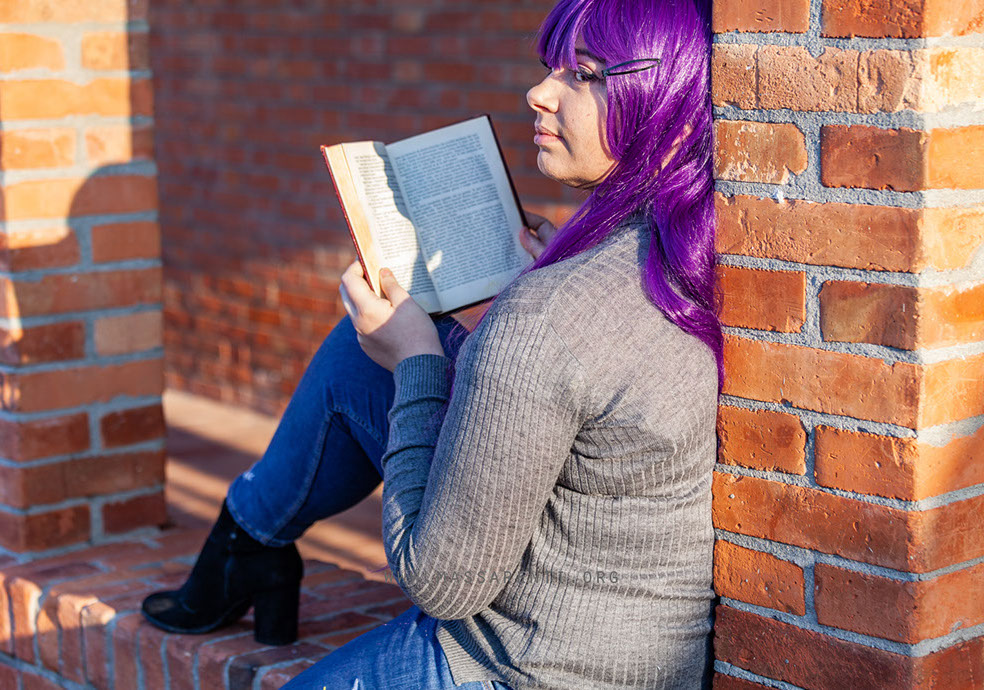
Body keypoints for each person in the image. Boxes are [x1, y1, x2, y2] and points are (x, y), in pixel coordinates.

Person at [142, 0, 724, 686]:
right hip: (641, 638)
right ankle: (249, 539)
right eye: (551, 67)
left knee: (387, 342)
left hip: (526, 664)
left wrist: (415, 359)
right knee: (363, 354)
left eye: (584, 74)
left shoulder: (548, 315)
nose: (538, 92)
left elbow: (441, 583)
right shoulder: (692, 247)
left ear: (665, 96)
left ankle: (245, 546)